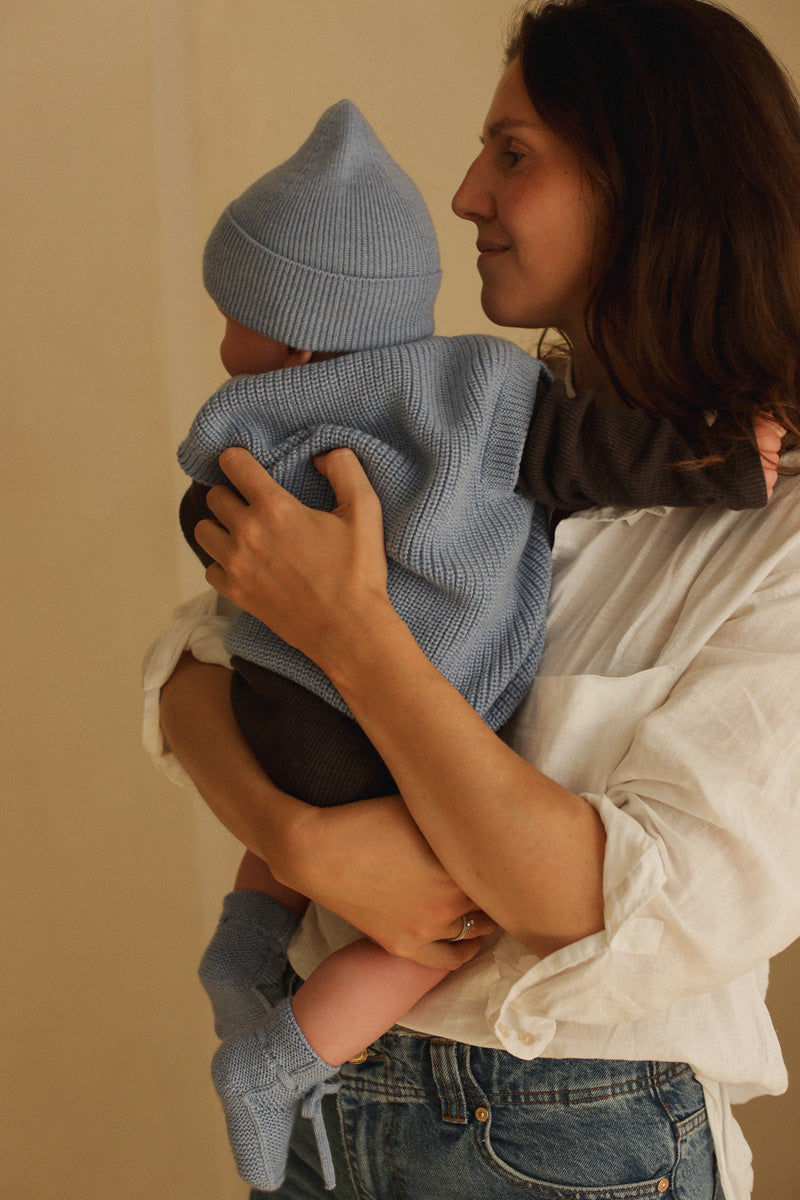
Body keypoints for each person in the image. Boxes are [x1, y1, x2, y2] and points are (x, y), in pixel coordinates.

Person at [148, 1, 800, 1197]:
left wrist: (356, 639)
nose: (462, 195)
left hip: (565, 1136)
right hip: (329, 1112)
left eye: (513, 153)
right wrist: (300, 840)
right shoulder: (456, 422)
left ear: (649, 180)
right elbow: (192, 662)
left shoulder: (776, 536)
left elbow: (591, 904)